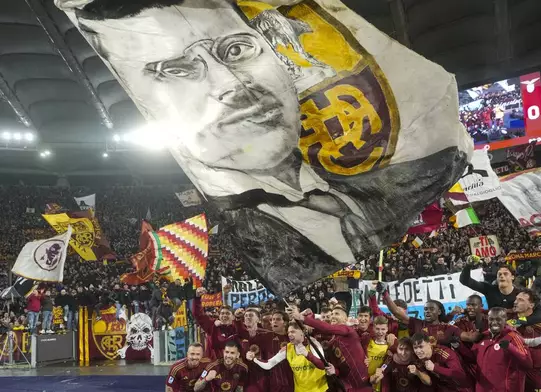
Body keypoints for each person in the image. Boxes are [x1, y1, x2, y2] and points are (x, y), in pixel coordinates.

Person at [58, 0, 472, 297]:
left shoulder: (418, 164)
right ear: (146, 102)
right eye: (176, 70)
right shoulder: (253, 230)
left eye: (236, 49)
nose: (231, 85)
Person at [291, 305, 371, 391]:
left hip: (362, 386)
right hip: (346, 387)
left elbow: (327, 328)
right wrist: (308, 355)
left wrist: (302, 318)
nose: (333, 316)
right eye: (332, 314)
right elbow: (328, 366)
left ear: (345, 319)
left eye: (337, 313)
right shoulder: (331, 343)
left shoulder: (349, 330)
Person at [458, 307, 532, 392]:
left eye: (498, 319)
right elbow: (472, 358)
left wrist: (510, 347)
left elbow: (528, 363)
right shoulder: (482, 336)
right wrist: (459, 346)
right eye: (491, 319)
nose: (494, 322)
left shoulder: (513, 337)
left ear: (505, 319)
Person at [460, 260, 541, 324]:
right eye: (499, 274)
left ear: (512, 277)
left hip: (516, 330)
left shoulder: (522, 294)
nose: (502, 276)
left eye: (505, 274)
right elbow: (465, 280)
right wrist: (468, 265)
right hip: (494, 327)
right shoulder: (489, 289)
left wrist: (519, 321)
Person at [249, 321, 328, 392]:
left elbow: (322, 365)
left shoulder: (313, 344)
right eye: (288, 332)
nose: (289, 334)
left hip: (319, 389)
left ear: (302, 332)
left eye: (293, 332)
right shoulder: (288, 348)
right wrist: (254, 359)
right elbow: (268, 365)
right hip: (299, 390)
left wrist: (307, 354)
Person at [379, 283, 461, 346]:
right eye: (425, 309)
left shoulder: (448, 328)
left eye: (431, 309)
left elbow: (469, 337)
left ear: (439, 312)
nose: (427, 311)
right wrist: (385, 293)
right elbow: (396, 312)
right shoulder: (417, 323)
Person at [512, 289, 541, 392]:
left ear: (531, 305)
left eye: (521, 300)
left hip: (536, 372)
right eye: (516, 299)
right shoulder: (508, 322)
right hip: (512, 371)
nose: (515, 302)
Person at [363, 316, 390, 392]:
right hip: (365, 382)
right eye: (377, 329)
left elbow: (388, 362)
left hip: (381, 384)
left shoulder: (390, 345)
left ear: (387, 329)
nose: (380, 332)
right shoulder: (367, 342)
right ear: (373, 328)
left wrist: (382, 369)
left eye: (383, 329)